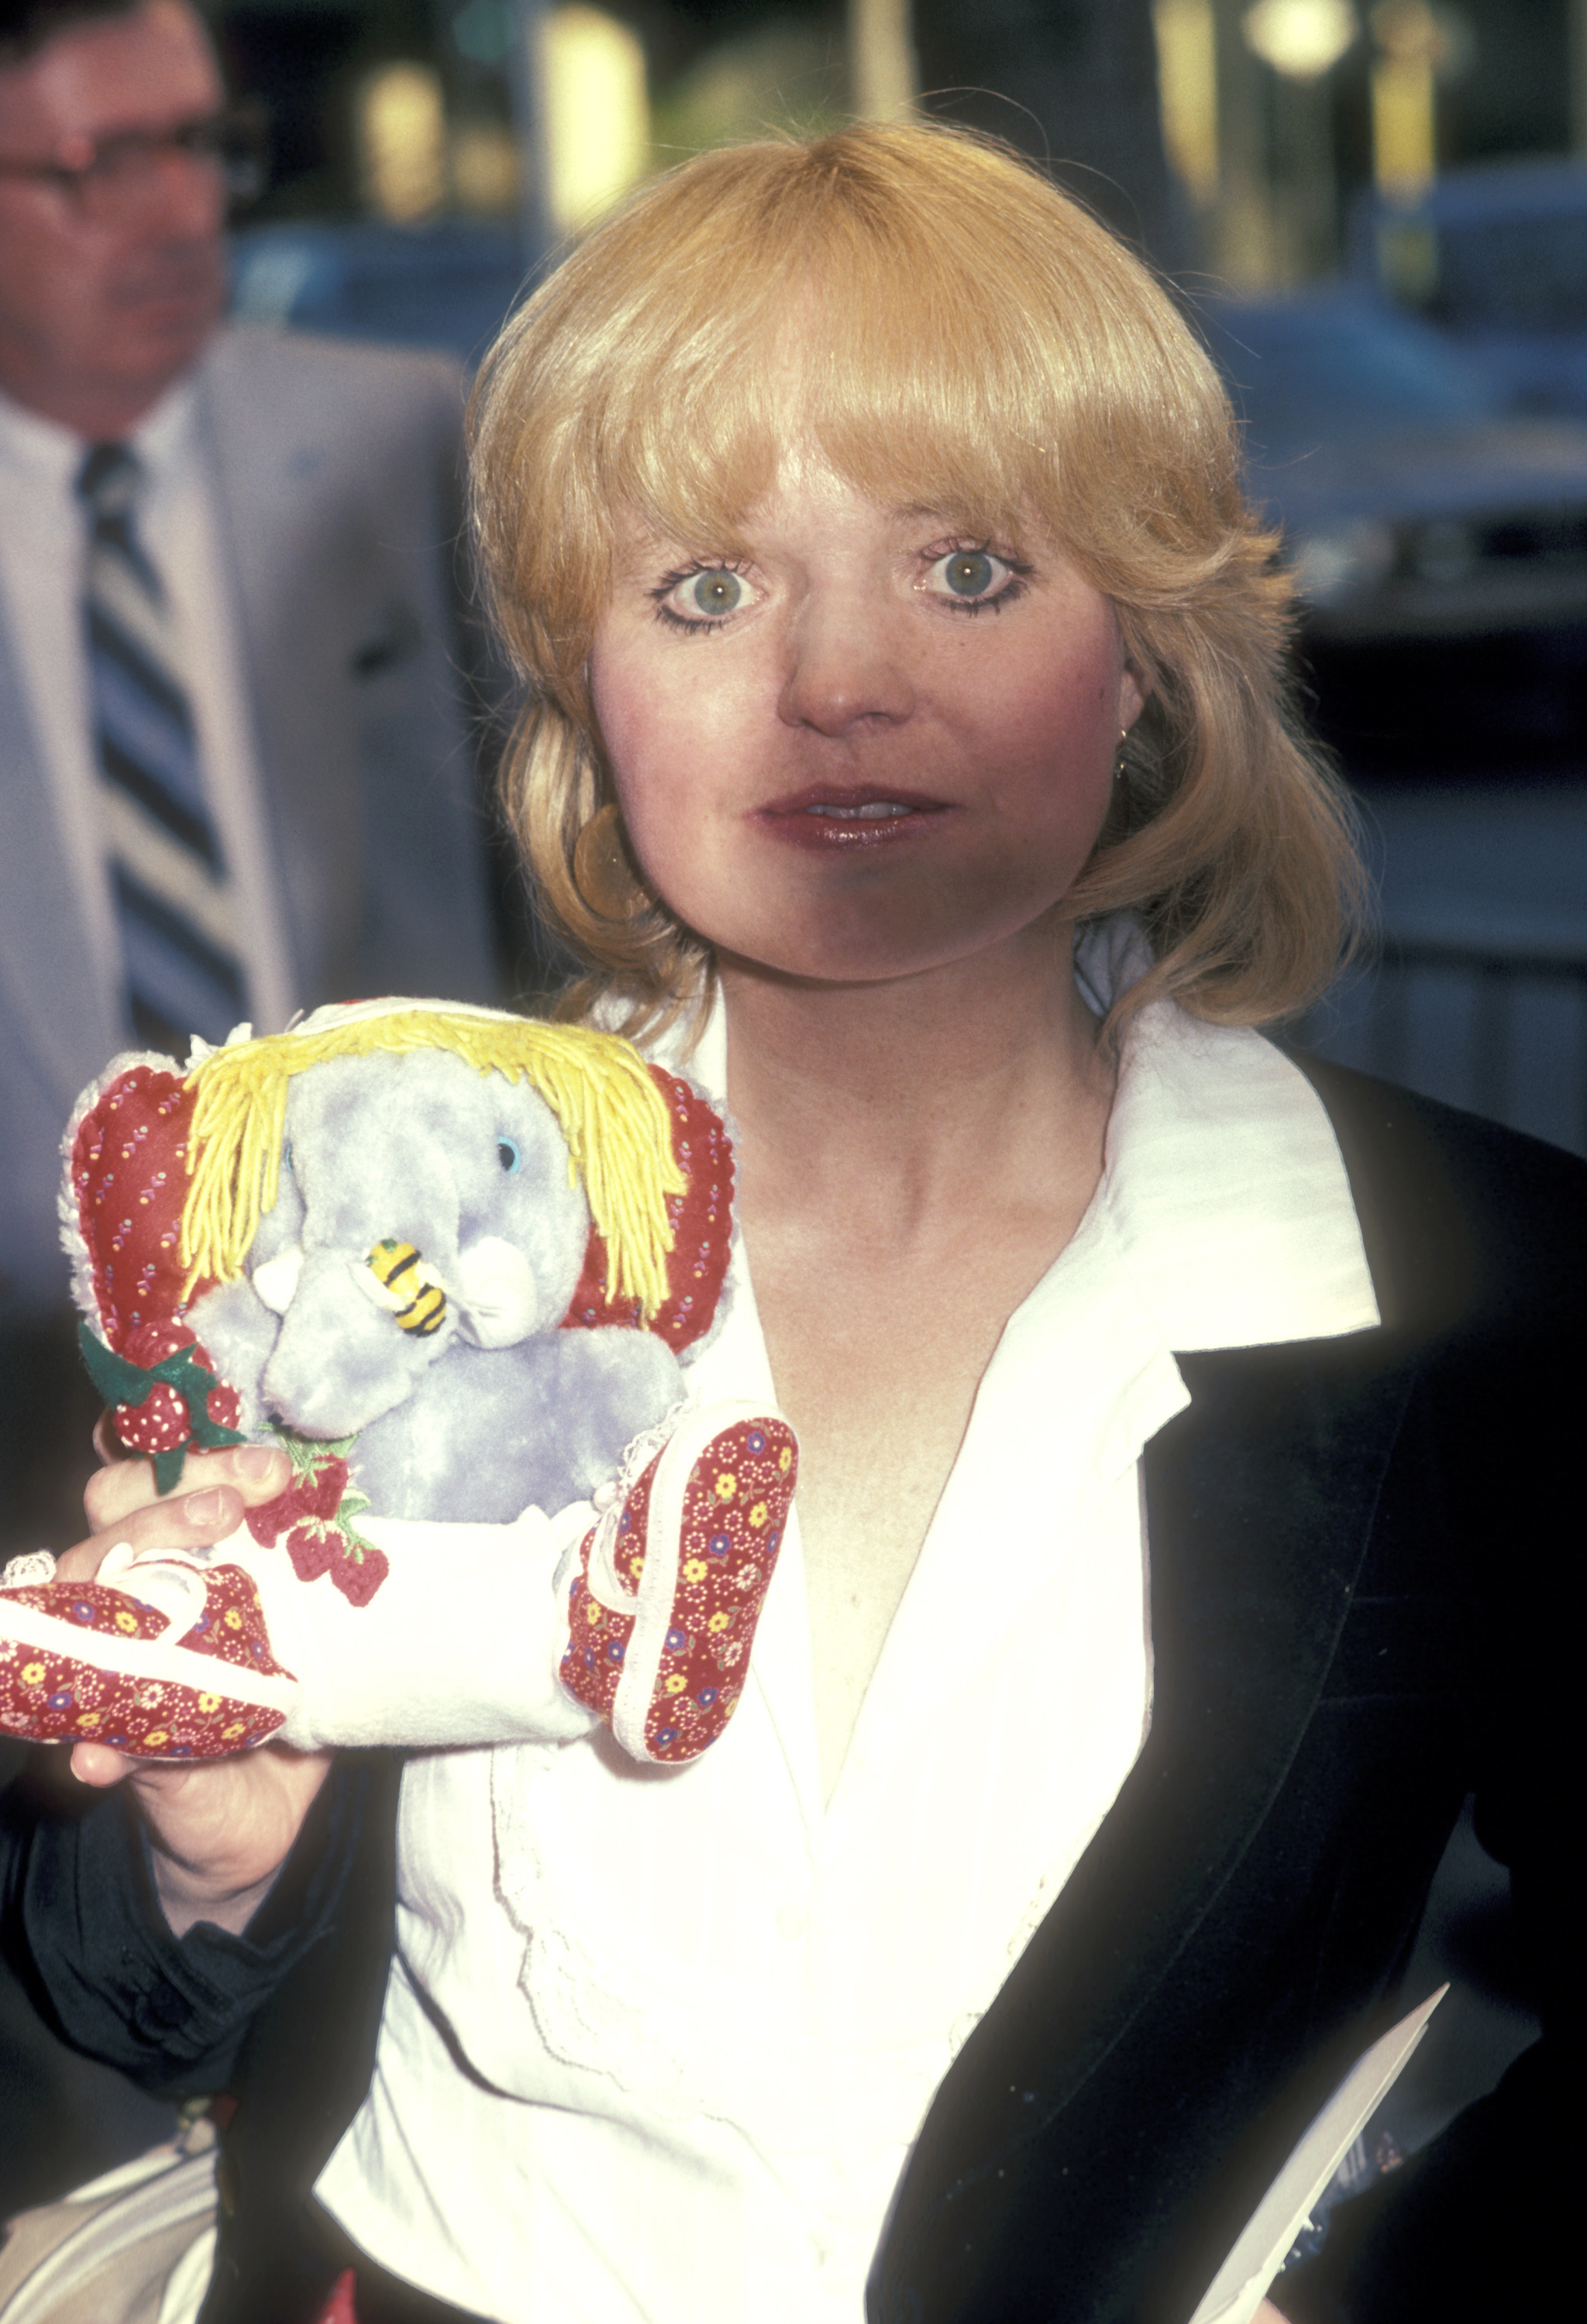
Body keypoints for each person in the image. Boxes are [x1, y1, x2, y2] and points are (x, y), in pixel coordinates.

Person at [0, 122, 1574, 2324]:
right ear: (586, 683)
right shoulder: (365, 1261)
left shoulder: (1483, 1293)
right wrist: (214, 1850)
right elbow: (125, 2006)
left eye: (970, 572)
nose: (840, 682)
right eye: (708, 589)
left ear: (1139, 656)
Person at [0, 0, 504, 2218]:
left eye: (200, 143)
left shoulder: (400, 438)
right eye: (93, 167)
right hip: (27, 1371)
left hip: (424, 1344)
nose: (177, 210)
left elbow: (548, 859)